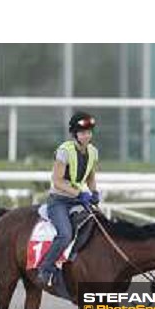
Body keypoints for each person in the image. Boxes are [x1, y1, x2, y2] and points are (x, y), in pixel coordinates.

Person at [36, 111, 101, 287]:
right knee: (65, 235)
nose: (87, 135)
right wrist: (79, 194)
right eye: (83, 132)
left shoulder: (93, 152)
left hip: (79, 201)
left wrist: (94, 193)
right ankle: (45, 268)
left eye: (89, 132)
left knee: (98, 225)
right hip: (59, 201)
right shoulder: (64, 151)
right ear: (75, 134)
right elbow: (57, 181)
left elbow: (90, 177)